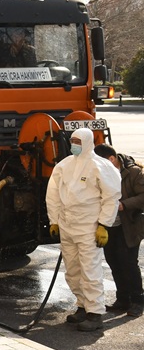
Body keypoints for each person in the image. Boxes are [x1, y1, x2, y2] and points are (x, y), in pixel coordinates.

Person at [46, 128, 122, 331]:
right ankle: (82, 305)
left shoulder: (101, 166)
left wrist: (104, 225)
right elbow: (52, 193)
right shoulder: (64, 165)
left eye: (78, 141)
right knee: (72, 270)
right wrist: (54, 220)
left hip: (89, 227)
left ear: (88, 142)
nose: (74, 144)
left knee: (90, 270)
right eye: (72, 140)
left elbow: (111, 196)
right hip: (67, 225)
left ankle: (95, 313)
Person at [94, 143, 144, 317]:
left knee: (129, 263)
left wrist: (124, 205)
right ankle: (122, 299)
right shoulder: (100, 173)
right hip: (108, 226)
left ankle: (137, 301)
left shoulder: (134, 173)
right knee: (114, 262)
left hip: (128, 225)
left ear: (112, 159)